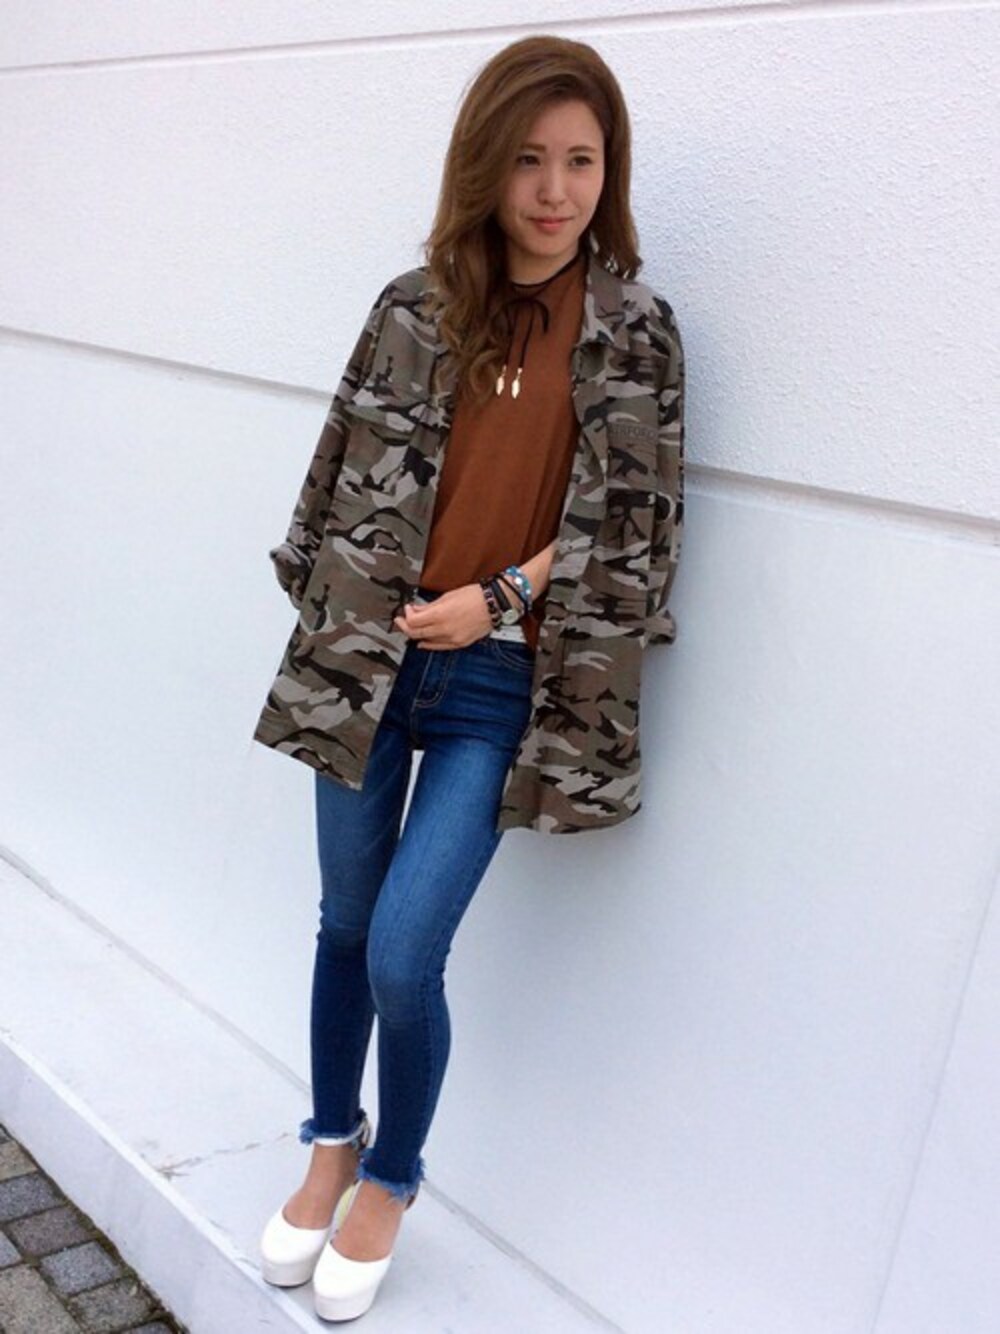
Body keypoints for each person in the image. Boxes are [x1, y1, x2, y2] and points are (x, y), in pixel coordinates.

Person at [256, 32, 685, 1323]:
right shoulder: (411, 305)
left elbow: (637, 525)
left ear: (610, 173)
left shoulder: (636, 331)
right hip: (369, 660)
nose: (555, 190)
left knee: (403, 948)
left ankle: (392, 1175)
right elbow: (336, 469)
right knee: (343, 923)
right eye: (529, 159)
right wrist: (345, 606)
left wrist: (496, 598)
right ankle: (329, 1141)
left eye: (582, 161)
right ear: (484, 165)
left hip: (498, 681)